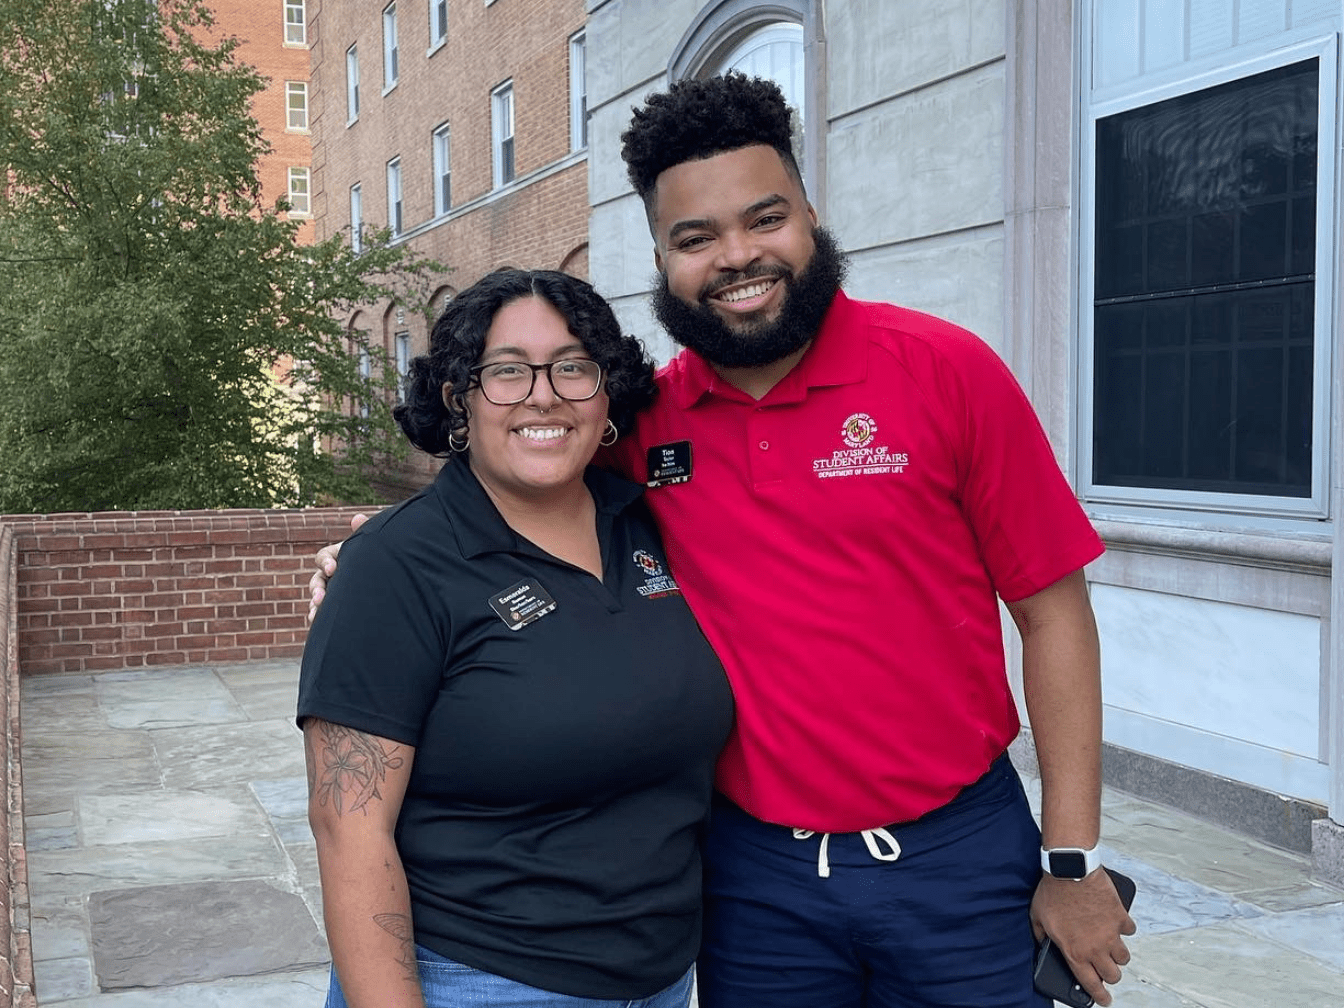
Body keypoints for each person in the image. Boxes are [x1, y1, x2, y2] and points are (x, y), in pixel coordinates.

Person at [311, 74, 1135, 1008]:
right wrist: (379, 554)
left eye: (765, 218)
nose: (738, 256)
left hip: (958, 852)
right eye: (696, 238)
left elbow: (1054, 613)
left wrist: (1072, 858)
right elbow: (515, 475)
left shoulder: (949, 374)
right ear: (661, 257)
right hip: (751, 878)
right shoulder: (646, 426)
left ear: (811, 216)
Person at [298, 268, 734, 1008]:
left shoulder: (647, 526)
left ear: (607, 398)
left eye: (573, 366)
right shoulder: (396, 566)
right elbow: (349, 834)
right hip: (478, 978)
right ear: (458, 399)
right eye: (506, 371)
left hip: (661, 977)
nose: (544, 394)